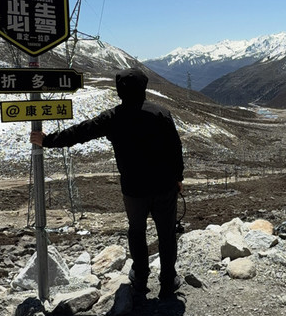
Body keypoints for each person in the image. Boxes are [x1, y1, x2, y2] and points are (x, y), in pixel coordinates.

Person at [30, 68, 185, 298]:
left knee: (137, 231)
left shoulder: (113, 117)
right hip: (164, 185)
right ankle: (168, 281)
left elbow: (81, 132)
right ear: (144, 88)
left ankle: (140, 278)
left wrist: (49, 140)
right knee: (167, 233)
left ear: (119, 91)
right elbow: (175, 148)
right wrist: (178, 177)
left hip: (133, 189)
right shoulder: (161, 113)